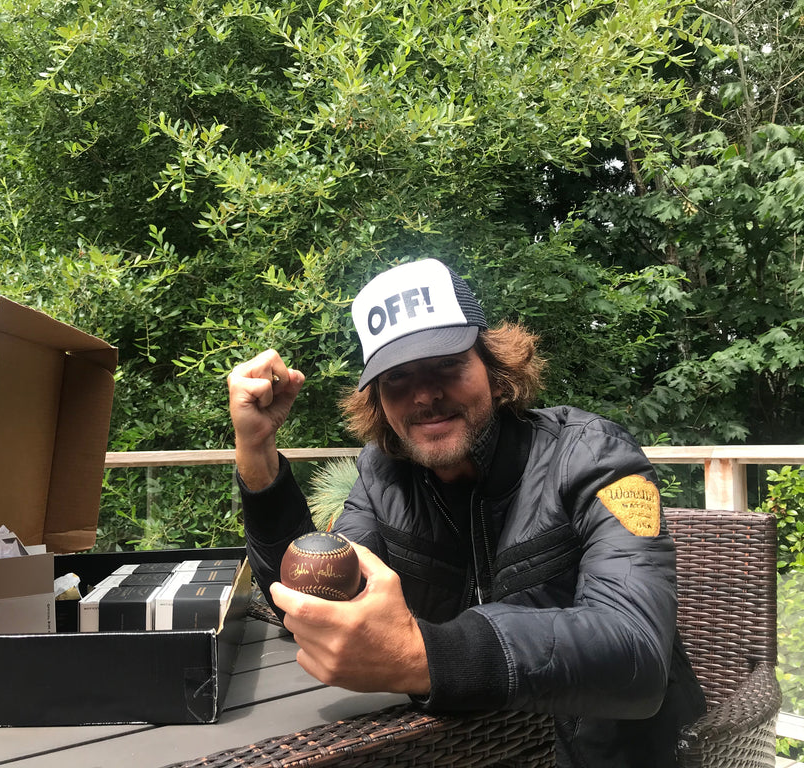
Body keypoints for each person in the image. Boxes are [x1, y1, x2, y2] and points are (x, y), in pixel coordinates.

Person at [226, 258, 706, 768]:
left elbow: (635, 655)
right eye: (397, 378)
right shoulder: (383, 475)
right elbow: (314, 603)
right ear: (378, 402)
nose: (426, 395)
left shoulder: (593, 458)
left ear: (496, 371)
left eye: (447, 365)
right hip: (469, 753)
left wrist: (422, 656)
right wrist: (256, 449)